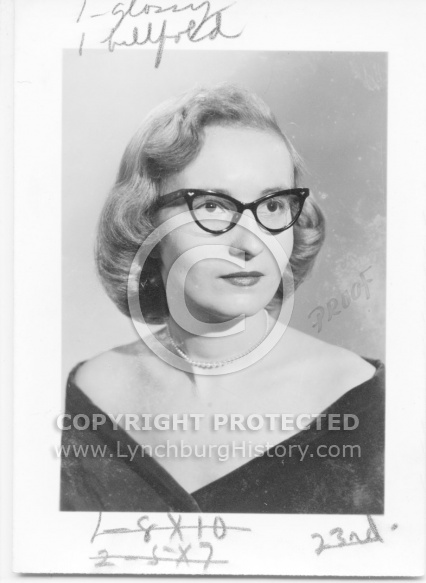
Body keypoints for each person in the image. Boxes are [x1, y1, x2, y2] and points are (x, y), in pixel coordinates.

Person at [60, 85, 384, 513]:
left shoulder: (367, 401)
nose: (251, 243)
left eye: (273, 206)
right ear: (144, 224)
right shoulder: (87, 393)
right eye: (211, 206)